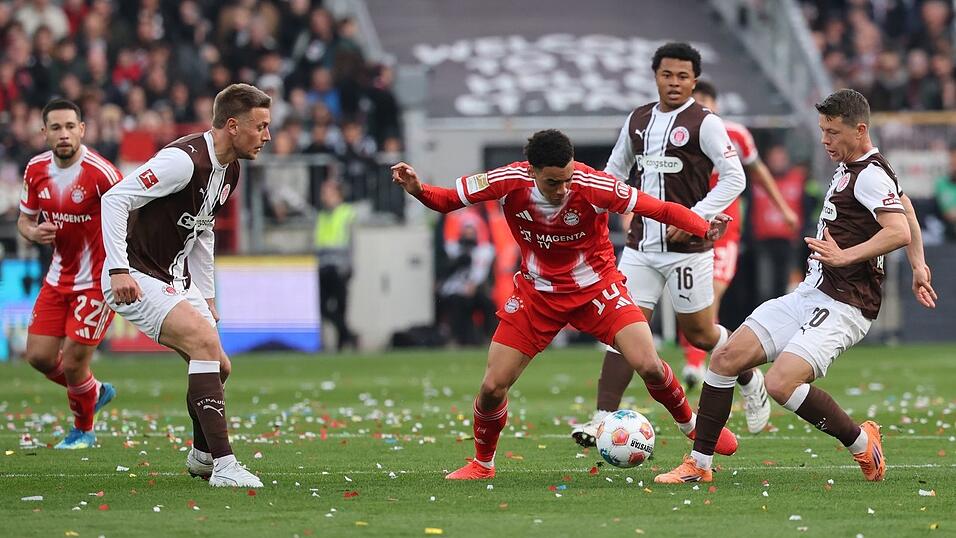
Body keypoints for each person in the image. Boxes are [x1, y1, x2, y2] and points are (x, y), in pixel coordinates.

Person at [392, 129, 740, 480]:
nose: (563, 189)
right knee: (492, 387)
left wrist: (702, 226)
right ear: (532, 171)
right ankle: (482, 465)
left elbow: (660, 208)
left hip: (597, 290)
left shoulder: (595, 185)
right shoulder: (508, 180)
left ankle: (691, 425)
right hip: (537, 295)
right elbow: (449, 200)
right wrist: (418, 189)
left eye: (568, 178)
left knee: (648, 363)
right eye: (553, 182)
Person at [654, 89, 937, 484]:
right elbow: (905, 209)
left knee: (780, 383)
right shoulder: (858, 164)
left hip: (846, 304)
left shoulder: (869, 174)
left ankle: (861, 443)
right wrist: (919, 264)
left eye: (833, 132)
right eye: (822, 130)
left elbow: (897, 230)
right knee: (724, 359)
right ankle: (699, 466)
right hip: (812, 292)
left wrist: (845, 256)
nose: (825, 140)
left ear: (860, 130)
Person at [572, 43, 748, 447]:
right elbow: (614, 171)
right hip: (641, 247)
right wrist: (610, 206)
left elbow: (735, 177)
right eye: (667, 74)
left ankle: (749, 374)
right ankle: (601, 418)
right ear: (655, 75)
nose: (674, 82)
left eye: (683, 76)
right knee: (622, 328)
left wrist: (695, 218)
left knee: (702, 335)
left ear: (694, 80)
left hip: (687, 250)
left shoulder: (706, 123)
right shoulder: (638, 120)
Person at [100, 83, 272, 488]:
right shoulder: (181, 161)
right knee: (204, 345)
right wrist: (118, 269)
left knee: (220, 366)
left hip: (176, 278)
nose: (267, 136)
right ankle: (225, 466)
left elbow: (204, 230)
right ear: (233, 126)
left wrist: (207, 296)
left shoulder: (230, 169)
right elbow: (114, 198)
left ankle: (200, 455)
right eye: (261, 126)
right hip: (137, 274)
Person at [677, 81, 801, 434]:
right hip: (687, 232)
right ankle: (721, 368)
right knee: (691, 309)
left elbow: (758, 173)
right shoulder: (677, 136)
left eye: (705, 100)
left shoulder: (735, 134)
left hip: (724, 232)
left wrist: (782, 207)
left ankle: (697, 364)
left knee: (710, 300)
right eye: (694, 100)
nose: (700, 105)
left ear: (716, 103)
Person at [18, 98, 120, 449]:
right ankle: (94, 391)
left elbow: (129, 215)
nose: (64, 134)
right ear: (44, 133)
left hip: (96, 281)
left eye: (70, 126)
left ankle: (84, 431)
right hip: (58, 277)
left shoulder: (101, 173)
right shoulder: (35, 170)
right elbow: (24, 219)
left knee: (75, 360)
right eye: (56, 128)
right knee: (39, 357)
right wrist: (33, 233)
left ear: (82, 130)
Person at [315, 178, 358, 350]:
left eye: (327, 192)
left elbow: (353, 244)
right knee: (323, 309)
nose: (323, 196)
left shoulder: (347, 213)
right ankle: (349, 335)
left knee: (340, 308)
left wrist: (350, 266)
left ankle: (342, 344)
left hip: (340, 268)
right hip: (324, 267)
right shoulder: (322, 215)